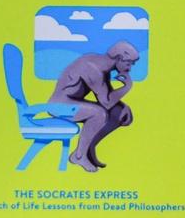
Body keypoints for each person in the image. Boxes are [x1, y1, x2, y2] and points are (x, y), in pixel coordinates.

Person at [50, 41, 139, 171]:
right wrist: (127, 87)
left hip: (73, 103)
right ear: (119, 58)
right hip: (59, 105)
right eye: (128, 63)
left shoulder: (103, 66)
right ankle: (79, 156)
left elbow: (107, 95)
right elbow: (106, 102)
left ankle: (88, 149)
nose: (129, 68)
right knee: (98, 113)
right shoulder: (92, 68)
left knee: (118, 112)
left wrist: (123, 106)